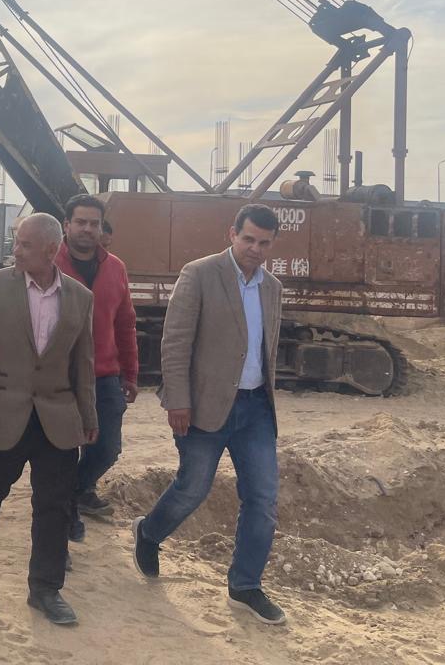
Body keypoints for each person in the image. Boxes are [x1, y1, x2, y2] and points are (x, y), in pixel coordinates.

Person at [132, 204, 286, 626]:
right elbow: (175, 341)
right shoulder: (199, 274)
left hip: (256, 409)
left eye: (264, 243)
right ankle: (148, 532)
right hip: (203, 406)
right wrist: (178, 400)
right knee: (193, 488)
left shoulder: (272, 288)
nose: (255, 249)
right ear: (232, 234)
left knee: (262, 498)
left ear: (273, 245)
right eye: (248, 239)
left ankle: (245, 586)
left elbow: (266, 350)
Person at [0, 213, 96, 625]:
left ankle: (45, 589)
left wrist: (88, 416)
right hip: (2, 413)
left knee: (54, 505)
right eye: (16, 242)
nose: (15, 251)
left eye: (25, 245)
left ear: (51, 250)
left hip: (57, 417)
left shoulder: (80, 297)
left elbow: (83, 364)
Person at [54, 196, 137, 541]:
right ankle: (64, 516)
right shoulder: (50, 263)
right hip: (58, 377)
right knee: (61, 451)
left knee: (107, 448)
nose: (87, 229)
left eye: (94, 223)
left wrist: (130, 373)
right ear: (67, 225)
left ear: (102, 228)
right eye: (81, 222)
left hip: (104, 376)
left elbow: (125, 323)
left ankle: (74, 493)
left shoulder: (115, 268)